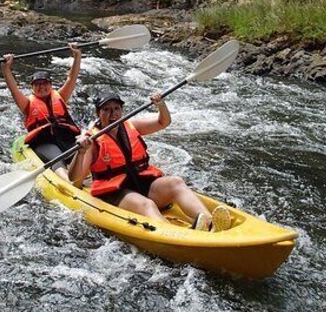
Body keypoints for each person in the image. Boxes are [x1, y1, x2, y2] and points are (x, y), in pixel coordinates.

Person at [69, 90, 231, 232]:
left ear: (122, 110)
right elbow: (75, 180)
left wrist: (161, 105)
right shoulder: (92, 140)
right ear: (98, 113)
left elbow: (163, 122)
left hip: (142, 184)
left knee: (176, 182)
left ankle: (211, 223)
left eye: (116, 109)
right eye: (106, 110)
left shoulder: (131, 125)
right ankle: (175, 235)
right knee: (147, 205)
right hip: (116, 193)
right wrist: (81, 153)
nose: (113, 114)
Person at [2, 43, 82, 179]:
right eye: (37, 84)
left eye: (44, 83)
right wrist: (6, 69)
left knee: (84, 152)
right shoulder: (27, 103)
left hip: (66, 139)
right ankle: (67, 183)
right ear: (32, 87)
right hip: (44, 143)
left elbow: (71, 79)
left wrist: (77, 56)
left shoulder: (60, 96)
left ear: (51, 85)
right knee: (57, 158)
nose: (41, 87)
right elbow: (13, 89)